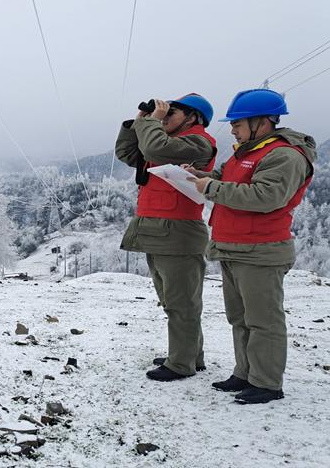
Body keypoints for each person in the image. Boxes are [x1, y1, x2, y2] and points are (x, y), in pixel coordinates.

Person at [187, 88, 315, 404]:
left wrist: (212, 187)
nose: (232, 129)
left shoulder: (283, 155)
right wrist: (198, 177)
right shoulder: (247, 152)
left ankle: (267, 383)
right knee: (241, 318)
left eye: (238, 123)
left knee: (263, 321)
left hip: (261, 249)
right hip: (234, 246)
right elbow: (224, 178)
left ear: (262, 122)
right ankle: (245, 373)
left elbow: (267, 197)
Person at [115, 93, 217, 382]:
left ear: (193, 117)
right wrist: (138, 123)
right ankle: (188, 355)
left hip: (179, 232)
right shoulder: (162, 140)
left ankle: (181, 363)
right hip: (157, 229)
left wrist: (153, 124)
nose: (165, 115)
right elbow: (128, 154)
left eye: (173, 112)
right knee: (171, 299)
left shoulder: (198, 142)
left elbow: (156, 149)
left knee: (181, 302)